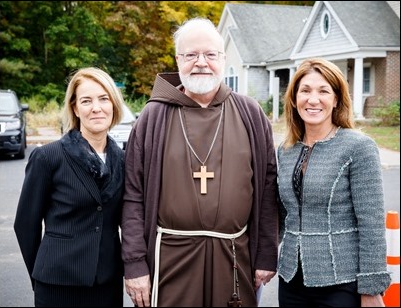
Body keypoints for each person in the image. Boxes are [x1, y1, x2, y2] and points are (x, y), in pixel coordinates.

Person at [121, 17, 278, 307]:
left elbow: (268, 189)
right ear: (178, 60)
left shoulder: (250, 113)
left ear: (223, 58)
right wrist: (134, 264)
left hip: (234, 257)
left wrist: (267, 253)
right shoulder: (153, 117)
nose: (201, 62)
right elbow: (133, 194)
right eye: (191, 55)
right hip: (170, 258)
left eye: (210, 54)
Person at [276, 58, 391, 307]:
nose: (313, 99)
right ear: (294, 99)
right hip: (291, 281)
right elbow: (282, 216)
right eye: (305, 90)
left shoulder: (357, 147)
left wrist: (371, 288)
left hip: (341, 282)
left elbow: (371, 223)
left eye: (323, 91)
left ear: (336, 99)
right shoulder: (285, 151)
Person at [14, 67, 126, 307]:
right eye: (86, 101)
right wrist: (41, 275)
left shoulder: (124, 160)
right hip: (57, 285)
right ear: (75, 108)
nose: (96, 107)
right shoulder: (48, 157)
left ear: (114, 105)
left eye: (103, 98)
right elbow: (25, 225)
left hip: (107, 284)